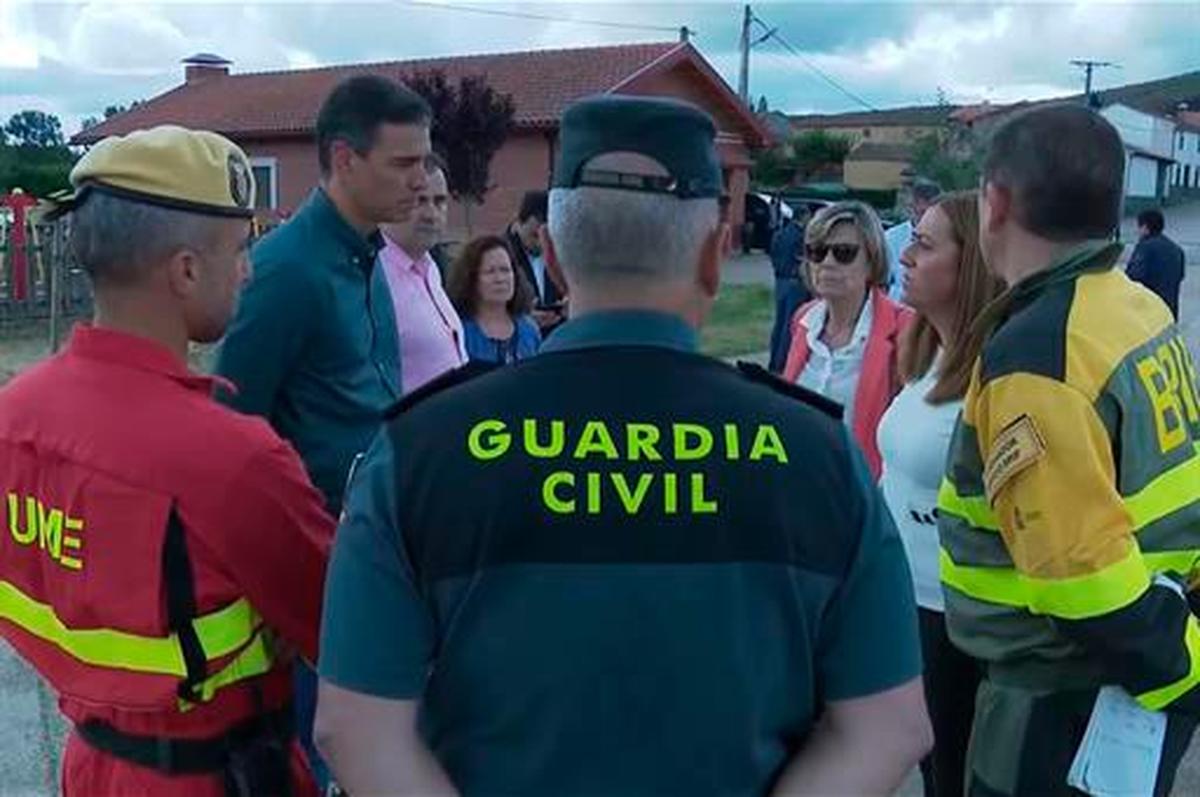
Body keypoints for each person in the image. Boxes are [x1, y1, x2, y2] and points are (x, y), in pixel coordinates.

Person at [314, 94, 931, 797]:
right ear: (712, 254)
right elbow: (890, 726)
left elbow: (354, 726)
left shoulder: (419, 449)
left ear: (551, 254)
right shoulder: (816, 453)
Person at [0, 126, 334, 797]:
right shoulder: (235, 458)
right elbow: (348, 629)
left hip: (89, 765)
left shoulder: (12, 417)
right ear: (185, 269)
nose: (248, 269)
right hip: (223, 776)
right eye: (241, 250)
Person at [938, 103, 1200, 797]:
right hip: (1134, 665)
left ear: (994, 203)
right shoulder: (1133, 304)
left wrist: (1184, 671)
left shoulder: (1038, 351)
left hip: (1062, 694)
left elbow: (1078, 581)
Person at [214, 74, 432, 787]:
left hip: (377, 545)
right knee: (322, 750)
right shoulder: (285, 272)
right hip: (313, 570)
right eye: (403, 163)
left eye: (423, 160)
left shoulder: (369, 258)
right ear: (344, 159)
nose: (422, 178)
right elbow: (233, 433)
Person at [877, 191, 1004, 797]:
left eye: (924, 246)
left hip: (956, 617)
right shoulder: (929, 354)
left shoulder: (998, 375)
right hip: (905, 601)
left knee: (955, 774)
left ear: (970, 264)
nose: (904, 256)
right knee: (932, 769)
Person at [781, 201, 913, 478]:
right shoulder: (804, 321)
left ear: (872, 261)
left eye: (844, 253)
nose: (827, 262)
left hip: (863, 494)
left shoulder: (906, 329)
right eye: (816, 252)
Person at [379, 156, 468, 392]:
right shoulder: (373, 278)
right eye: (420, 201)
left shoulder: (431, 269)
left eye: (439, 201)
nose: (431, 214)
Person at [446, 234, 541, 364]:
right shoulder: (460, 332)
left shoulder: (529, 330)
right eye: (490, 271)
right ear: (471, 279)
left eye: (505, 270)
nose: (500, 279)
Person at [507, 190, 567, 332]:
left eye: (547, 236)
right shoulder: (502, 256)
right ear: (518, 223)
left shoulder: (560, 253)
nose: (541, 243)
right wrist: (522, 320)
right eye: (534, 235)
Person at [767, 209, 813, 373]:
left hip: (780, 280)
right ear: (804, 217)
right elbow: (802, 258)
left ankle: (773, 360)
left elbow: (772, 253)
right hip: (795, 282)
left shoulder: (781, 233)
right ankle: (782, 363)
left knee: (779, 323)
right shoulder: (801, 236)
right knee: (790, 324)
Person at [886, 179, 942, 301]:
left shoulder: (945, 238)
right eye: (921, 212)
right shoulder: (891, 238)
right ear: (912, 208)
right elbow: (882, 283)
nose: (925, 218)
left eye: (930, 212)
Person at [1126, 208, 1186, 320]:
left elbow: (1134, 276)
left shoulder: (1145, 247)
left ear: (1145, 227)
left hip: (1149, 312)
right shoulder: (1177, 249)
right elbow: (1180, 276)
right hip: (1170, 312)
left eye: (1139, 227)